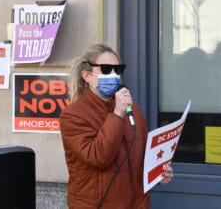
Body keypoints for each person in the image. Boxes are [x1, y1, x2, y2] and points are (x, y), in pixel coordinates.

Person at [59, 44, 174, 209]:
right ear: (87, 76)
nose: (113, 75)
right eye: (106, 69)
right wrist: (117, 114)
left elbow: (144, 157)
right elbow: (98, 158)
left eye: (117, 69)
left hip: (136, 204)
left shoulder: (134, 111)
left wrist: (159, 172)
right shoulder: (73, 115)